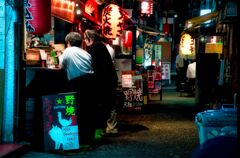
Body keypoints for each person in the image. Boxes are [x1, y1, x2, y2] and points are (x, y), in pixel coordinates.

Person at [58, 32, 96, 146]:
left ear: (68, 43)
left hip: (77, 83)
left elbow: (61, 67)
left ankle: (76, 140)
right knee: (88, 112)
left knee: (76, 111)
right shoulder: (86, 53)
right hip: (90, 83)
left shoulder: (67, 51)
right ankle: (88, 139)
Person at [83, 29, 118, 134]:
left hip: (103, 81)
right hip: (109, 79)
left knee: (104, 104)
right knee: (109, 103)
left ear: (90, 39)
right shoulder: (101, 46)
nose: (84, 41)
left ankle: (107, 128)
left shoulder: (95, 48)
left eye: (85, 39)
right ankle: (111, 128)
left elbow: (91, 65)